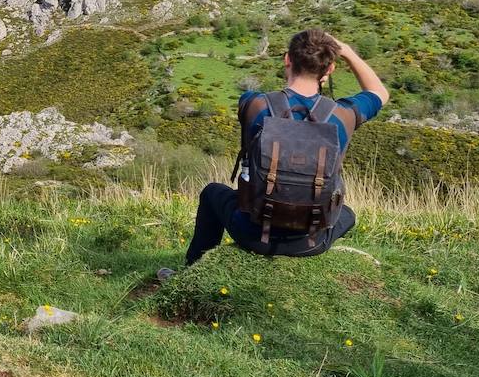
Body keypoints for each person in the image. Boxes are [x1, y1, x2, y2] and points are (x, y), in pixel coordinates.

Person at [161, 29, 388, 277]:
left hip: (252, 233)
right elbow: (380, 93)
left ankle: (192, 272)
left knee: (212, 193)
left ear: (287, 59)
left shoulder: (253, 104)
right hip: (311, 242)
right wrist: (349, 53)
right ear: (330, 69)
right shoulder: (344, 115)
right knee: (347, 214)